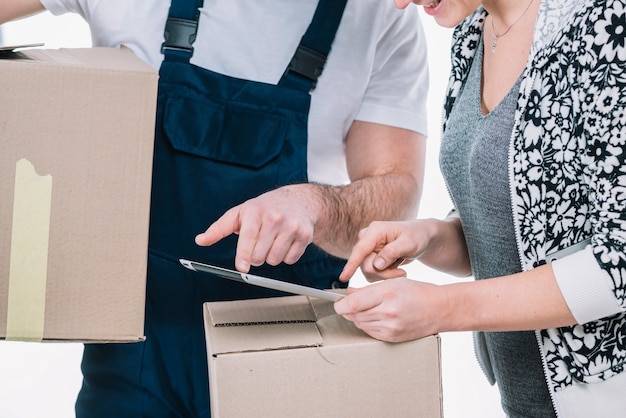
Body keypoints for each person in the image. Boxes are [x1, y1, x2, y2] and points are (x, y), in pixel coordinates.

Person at [1, 1, 429, 417]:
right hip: (133, 351)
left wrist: (316, 203)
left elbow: (396, 200)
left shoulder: (382, 13)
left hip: (294, 353)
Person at [334, 0, 626, 417]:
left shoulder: (606, 25)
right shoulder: (472, 33)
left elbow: (619, 264)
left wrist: (442, 308)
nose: (399, 3)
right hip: (525, 401)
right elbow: (517, 228)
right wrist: (431, 236)